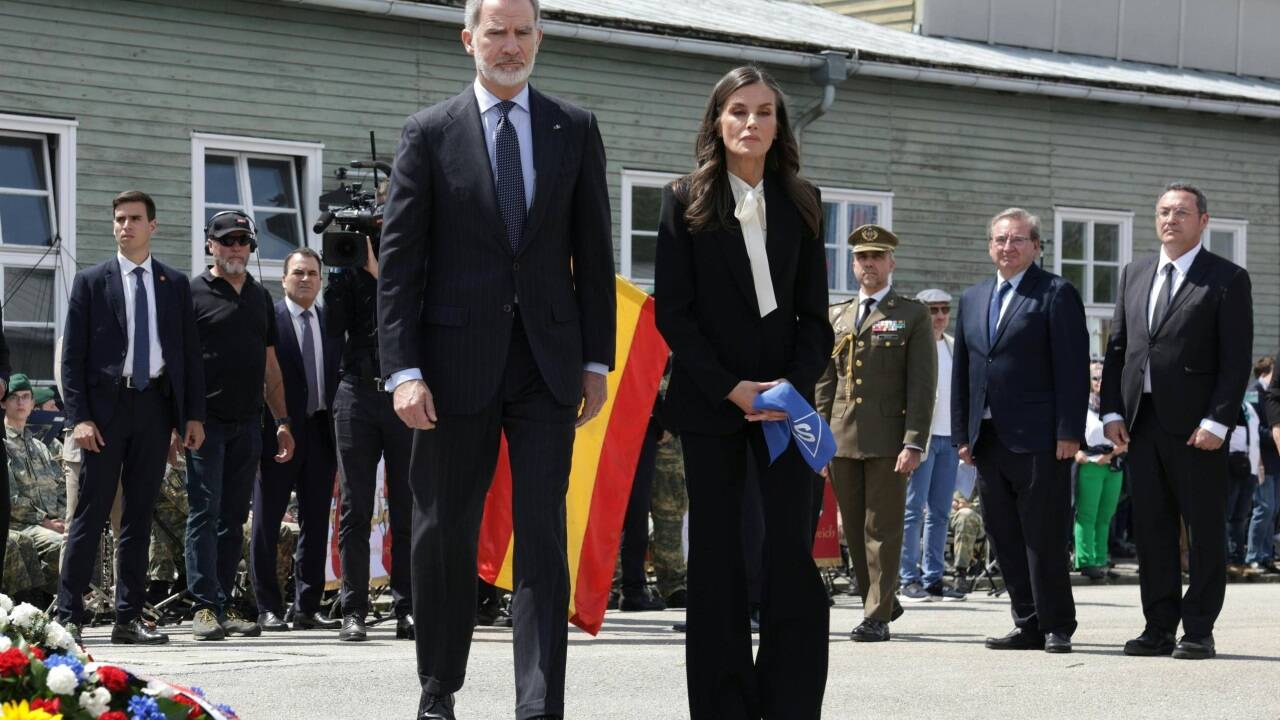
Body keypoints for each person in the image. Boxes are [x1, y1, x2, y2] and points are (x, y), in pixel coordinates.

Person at [377, 0, 616, 716]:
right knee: (442, 531)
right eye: (496, 33)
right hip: (450, 371)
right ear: (467, 41)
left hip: (547, 364)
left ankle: (539, 704)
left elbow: (594, 253)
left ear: (538, 37)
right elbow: (399, 266)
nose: (509, 46)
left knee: (543, 535)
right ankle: (438, 688)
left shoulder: (573, 128)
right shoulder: (428, 134)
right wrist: (404, 370)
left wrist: (596, 360)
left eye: (522, 32)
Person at [655, 65, 832, 719]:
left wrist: (790, 386)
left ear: (779, 125)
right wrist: (730, 388)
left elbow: (815, 316)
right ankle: (724, 704)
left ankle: (789, 701)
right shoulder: (683, 201)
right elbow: (673, 313)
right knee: (721, 561)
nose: (752, 123)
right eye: (738, 111)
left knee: (791, 554)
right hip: (712, 407)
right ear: (717, 122)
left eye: (764, 112)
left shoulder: (805, 202)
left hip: (786, 411)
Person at [1102, 182, 1252, 661]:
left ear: (1203, 221)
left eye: (1182, 212)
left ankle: (1199, 630)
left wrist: (1218, 421)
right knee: (1152, 530)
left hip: (1196, 431)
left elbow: (1235, 360)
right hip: (1141, 425)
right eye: (1164, 211)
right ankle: (1158, 626)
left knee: (1205, 531)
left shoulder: (1226, 278)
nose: (1171, 219)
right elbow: (1119, 348)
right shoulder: (1134, 272)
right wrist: (1111, 411)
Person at [58, 190, 205, 644]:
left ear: (152, 226)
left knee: (139, 517)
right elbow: (72, 359)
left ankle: (128, 618)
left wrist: (190, 418)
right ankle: (68, 615)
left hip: (155, 407)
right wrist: (78, 418)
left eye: (135, 219)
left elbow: (188, 356)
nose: (126, 226)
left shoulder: (175, 284)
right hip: (104, 413)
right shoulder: (90, 281)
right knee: (91, 512)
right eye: (119, 219)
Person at [953, 207, 1088, 654]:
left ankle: (1056, 625)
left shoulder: (1055, 293)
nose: (1007, 247)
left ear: (1036, 246)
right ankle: (1026, 621)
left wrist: (1069, 431)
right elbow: (965, 372)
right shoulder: (973, 299)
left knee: (1043, 536)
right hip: (987, 439)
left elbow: (1071, 370)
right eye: (999, 240)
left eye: (1016, 240)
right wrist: (962, 435)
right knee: (1004, 534)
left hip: (1040, 438)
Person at [816, 225, 936, 643]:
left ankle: (876, 616)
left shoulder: (911, 314)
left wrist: (914, 440)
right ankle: (883, 599)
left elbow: (922, 384)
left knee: (880, 528)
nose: (869, 264)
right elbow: (825, 381)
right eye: (862, 258)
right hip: (841, 437)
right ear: (853, 265)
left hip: (889, 440)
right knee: (852, 528)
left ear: (891, 263)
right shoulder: (839, 314)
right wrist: (819, 440)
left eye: (877, 257)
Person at [186, 210, 295, 642]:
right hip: (205, 424)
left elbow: (271, 366)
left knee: (234, 517)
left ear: (251, 247)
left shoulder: (259, 296)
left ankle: (223, 601)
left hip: (249, 423)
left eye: (242, 241)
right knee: (204, 513)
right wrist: (182, 421)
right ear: (210, 244)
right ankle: (202, 607)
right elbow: (180, 365)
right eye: (226, 240)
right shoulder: (190, 293)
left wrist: (283, 421)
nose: (235, 248)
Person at [325, 235, 414, 641]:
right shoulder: (345, 275)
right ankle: (353, 610)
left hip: (400, 393)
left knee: (407, 508)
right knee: (356, 508)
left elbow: (411, 318)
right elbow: (331, 328)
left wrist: (383, 276)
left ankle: (408, 608)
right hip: (356, 394)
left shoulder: (409, 263)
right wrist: (339, 275)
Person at [250, 248, 342, 632]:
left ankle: (307, 605)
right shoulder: (269, 319)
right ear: (284, 278)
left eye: (312, 273)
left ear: (321, 279)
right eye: (298, 273)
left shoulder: (330, 321)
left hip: (322, 431)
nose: (305, 279)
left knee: (316, 521)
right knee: (267, 522)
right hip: (278, 430)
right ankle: (268, 606)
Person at [898, 288, 964, 602]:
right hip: (921, 440)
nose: (939, 316)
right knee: (913, 510)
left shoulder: (953, 346)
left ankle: (934, 577)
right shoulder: (911, 344)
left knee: (939, 512)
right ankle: (907, 577)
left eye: (944, 310)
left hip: (948, 439)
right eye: (933, 310)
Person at [4, 374, 65, 598]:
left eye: (26, 397)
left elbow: (61, 489)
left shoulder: (40, 446)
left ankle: (75, 601)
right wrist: (46, 521)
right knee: (59, 545)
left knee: (79, 539)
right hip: (19, 524)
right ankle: (42, 603)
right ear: (3, 402)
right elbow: (12, 500)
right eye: (14, 397)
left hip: (49, 523)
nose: (21, 403)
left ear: (32, 403)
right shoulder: (3, 444)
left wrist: (65, 519)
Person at [1074, 361, 1126, 580]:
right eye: (1095, 378)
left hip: (1113, 463)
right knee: (1087, 514)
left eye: (1103, 378)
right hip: (1090, 464)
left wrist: (1111, 455)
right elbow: (1073, 435)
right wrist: (1079, 454)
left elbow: (1126, 437)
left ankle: (1101, 558)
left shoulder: (1116, 405)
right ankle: (1085, 560)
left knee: (1105, 515)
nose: (1099, 382)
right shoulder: (1080, 405)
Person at [1248, 358, 1279, 574]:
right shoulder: (1254, 392)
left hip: (1275, 461)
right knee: (1263, 508)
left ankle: (1266, 555)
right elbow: (1254, 430)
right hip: (1261, 460)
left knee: (1273, 509)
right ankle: (1253, 556)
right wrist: (1276, 435)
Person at [1224, 400, 1262, 579]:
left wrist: (1259, 466)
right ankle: (1224, 560)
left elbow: (1255, 437)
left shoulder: (1249, 407)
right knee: (1226, 515)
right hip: (1232, 465)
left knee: (1240, 518)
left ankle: (1238, 560)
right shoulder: (1230, 403)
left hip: (1250, 468)